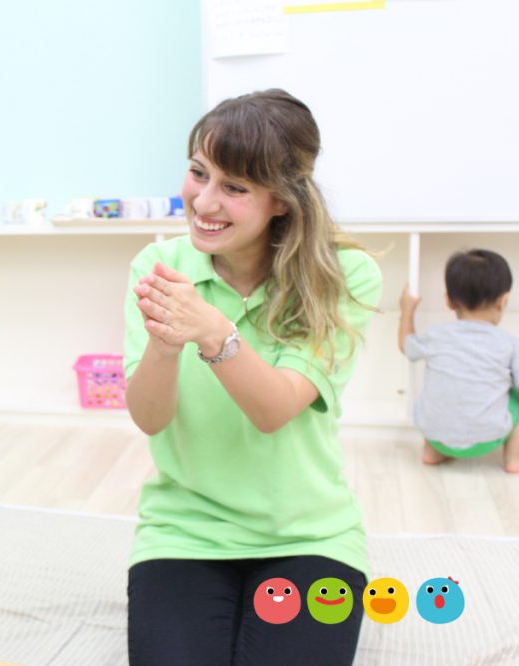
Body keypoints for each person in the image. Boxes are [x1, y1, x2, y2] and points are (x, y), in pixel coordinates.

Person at [123, 89, 382, 665]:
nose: (204, 201)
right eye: (199, 173)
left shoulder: (344, 275)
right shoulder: (158, 267)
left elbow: (274, 410)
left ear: (282, 201)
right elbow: (150, 418)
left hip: (309, 536)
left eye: (234, 188)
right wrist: (164, 347)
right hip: (185, 531)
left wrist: (212, 331)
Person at [399, 249, 519, 472]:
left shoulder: (436, 336)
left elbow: (406, 346)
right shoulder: (509, 343)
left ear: (448, 301)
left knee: (438, 391)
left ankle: (433, 452)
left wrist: (407, 309)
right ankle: (514, 459)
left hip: (435, 435)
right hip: (488, 439)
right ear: (503, 301)